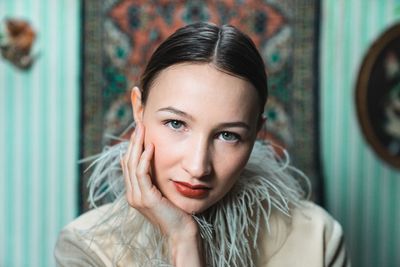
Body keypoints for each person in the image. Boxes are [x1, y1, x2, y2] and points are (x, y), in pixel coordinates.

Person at [54, 22, 349, 267]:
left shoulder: (319, 238)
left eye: (228, 135)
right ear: (138, 109)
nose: (198, 167)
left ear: (257, 133)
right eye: (176, 124)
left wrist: (184, 241)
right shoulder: (86, 248)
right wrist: (182, 237)